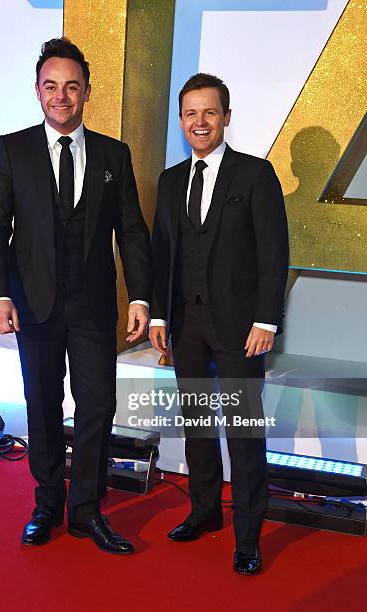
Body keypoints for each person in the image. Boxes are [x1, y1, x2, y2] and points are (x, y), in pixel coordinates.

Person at [0, 37, 151, 554]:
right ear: (37, 91)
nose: (61, 95)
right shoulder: (13, 148)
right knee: (43, 403)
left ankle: (87, 510)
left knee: (98, 403)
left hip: (94, 304)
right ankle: (48, 501)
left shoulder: (113, 155)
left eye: (71, 86)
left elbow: (133, 231)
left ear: (87, 93)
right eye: (51, 86)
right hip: (32, 301)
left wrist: (141, 297)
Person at [149, 73, 288, 574]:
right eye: (190, 113)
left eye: (209, 112)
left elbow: (275, 254)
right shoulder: (168, 180)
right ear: (181, 120)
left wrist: (266, 321)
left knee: (245, 432)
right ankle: (205, 512)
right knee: (198, 426)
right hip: (184, 323)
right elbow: (162, 251)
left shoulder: (255, 175)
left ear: (226, 117)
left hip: (240, 329)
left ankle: (248, 536)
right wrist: (161, 314)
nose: (199, 122)